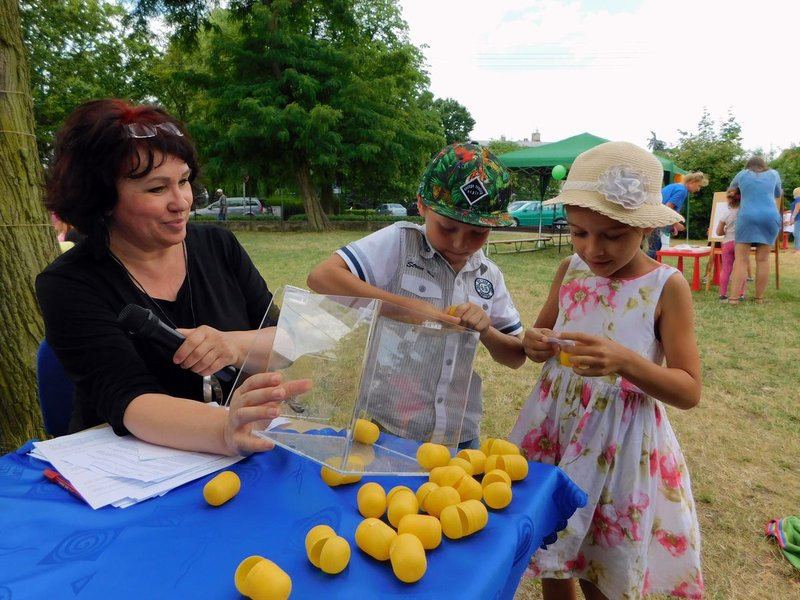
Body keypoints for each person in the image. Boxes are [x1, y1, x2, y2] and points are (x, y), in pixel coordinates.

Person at [36, 99, 310, 456]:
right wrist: (224, 428)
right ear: (102, 200)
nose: (182, 201)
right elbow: (130, 398)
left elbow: (285, 342)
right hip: (129, 471)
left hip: (234, 452)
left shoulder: (218, 245)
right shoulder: (69, 283)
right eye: (156, 189)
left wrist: (234, 345)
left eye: (183, 181)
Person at [509, 141, 703, 600]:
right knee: (553, 554)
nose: (592, 249)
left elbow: (689, 388)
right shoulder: (570, 270)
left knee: (603, 563)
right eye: (579, 232)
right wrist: (533, 342)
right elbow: (541, 338)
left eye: (612, 235)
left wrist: (626, 362)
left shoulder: (665, 287)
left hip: (618, 444)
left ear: (643, 227)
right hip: (556, 428)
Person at [307, 142, 526, 448]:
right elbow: (322, 277)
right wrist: (406, 308)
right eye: (447, 227)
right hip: (389, 427)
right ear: (422, 206)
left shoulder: (488, 276)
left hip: (459, 433)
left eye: (478, 233)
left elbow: (515, 356)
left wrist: (486, 330)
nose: (461, 243)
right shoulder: (400, 243)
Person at [726, 156, 782, 304]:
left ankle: (733, 299)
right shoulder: (774, 174)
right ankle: (759, 298)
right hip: (770, 217)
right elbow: (778, 194)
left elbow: (730, 190)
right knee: (763, 259)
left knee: (741, 260)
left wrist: (740, 193)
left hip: (747, 216)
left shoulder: (742, 174)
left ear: (748, 165)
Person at [647, 171, 709, 258]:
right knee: (653, 250)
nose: (698, 189)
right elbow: (667, 208)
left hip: (649, 219)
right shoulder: (682, 190)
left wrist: (672, 226)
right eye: (698, 186)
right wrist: (676, 223)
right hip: (654, 221)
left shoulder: (673, 186)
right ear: (692, 182)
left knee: (653, 246)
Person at [716, 187, 747, 301]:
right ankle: (740, 293)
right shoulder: (745, 213)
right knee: (741, 268)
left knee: (726, 269)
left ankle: (723, 294)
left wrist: (726, 231)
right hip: (741, 243)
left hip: (728, 243)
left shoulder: (726, 214)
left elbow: (718, 232)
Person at [790, 187, 800, 254]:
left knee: (797, 234)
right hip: (797, 219)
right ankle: (797, 249)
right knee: (796, 234)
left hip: (798, 218)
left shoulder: (798, 199)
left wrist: (793, 217)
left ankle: (798, 250)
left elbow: (797, 207)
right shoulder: (797, 199)